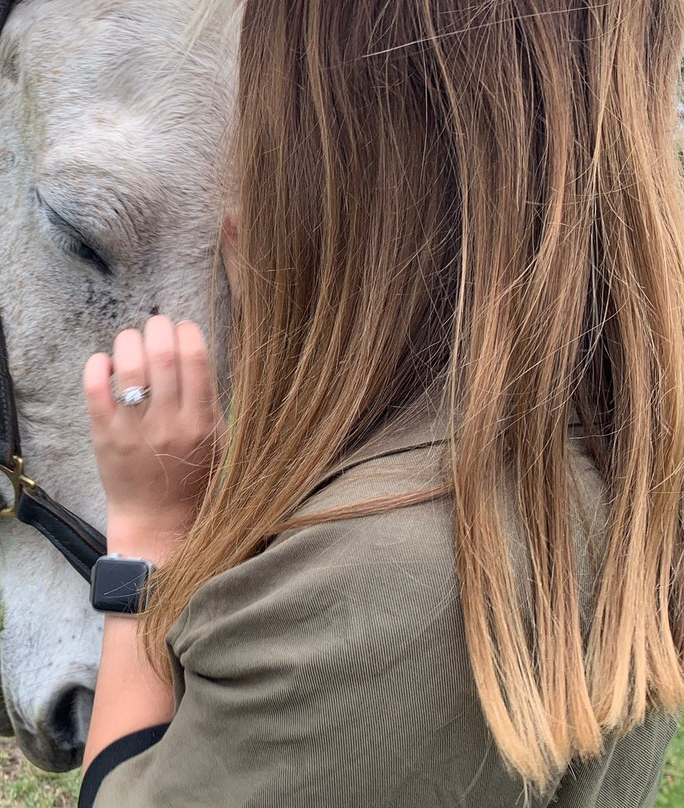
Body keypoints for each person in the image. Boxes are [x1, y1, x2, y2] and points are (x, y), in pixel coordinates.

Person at [76, 0, 684, 806]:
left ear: (347, 168)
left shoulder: (375, 584)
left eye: (263, 121)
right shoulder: (621, 464)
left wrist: (150, 538)